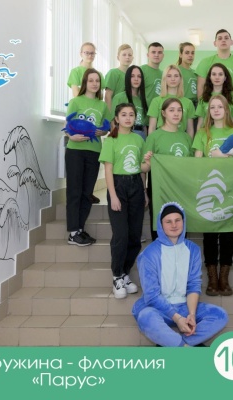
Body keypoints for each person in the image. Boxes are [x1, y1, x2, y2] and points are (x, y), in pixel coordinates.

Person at [133, 202, 229, 347]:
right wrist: (177, 319)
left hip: (184, 305)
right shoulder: (149, 254)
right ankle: (182, 347)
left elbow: (193, 285)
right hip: (158, 308)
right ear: (161, 224)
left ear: (183, 222)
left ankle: (178, 343)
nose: (174, 225)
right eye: (168, 221)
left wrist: (191, 315)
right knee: (145, 317)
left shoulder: (193, 249)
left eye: (178, 220)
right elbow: (151, 295)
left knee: (220, 315)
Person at [192, 95, 233, 296]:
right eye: (212, 107)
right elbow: (197, 162)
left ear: (226, 110)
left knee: (227, 233)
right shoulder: (202, 132)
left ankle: (224, 278)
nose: (216, 110)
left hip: (230, 187)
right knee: (209, 233)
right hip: (207, 187)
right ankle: (212, 278)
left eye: (220, 107)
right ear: (208, 111)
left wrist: (223, 156)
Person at [99, 103, 152, 298]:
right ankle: (116, 276)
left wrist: (148, 164)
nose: (128, 118)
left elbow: (143, 168)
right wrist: (113, 195)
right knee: (120, 235)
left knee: (135, 236)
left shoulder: (139, 139)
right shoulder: (111, 140)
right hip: (118, 187)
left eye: (131, 114)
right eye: (124, 114)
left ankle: (125, 273)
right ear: (117, 118)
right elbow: (108, 170)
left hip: (136, 186)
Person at [64, 68, 110, 246]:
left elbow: (106, 127)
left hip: (94, 151)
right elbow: (67, 126)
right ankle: (73, 232)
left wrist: (103, 132)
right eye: (91, 80)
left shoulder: (102, 105)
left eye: (97, 81)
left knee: (87, 193)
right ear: (85, 82)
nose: (94, 83)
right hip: (75, 151)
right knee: (74, 191)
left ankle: (79, 229)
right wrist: (71, 136)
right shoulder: (75, 101)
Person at [144, 98, 193, 240]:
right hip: (160, 189)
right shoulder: (154, 136)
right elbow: (144, 168)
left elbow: (191, 165)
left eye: (179, 110)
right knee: (160, 220)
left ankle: (180, 250)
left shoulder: (186, 137)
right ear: (163, 113)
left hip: (181, 187)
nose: (176, 113)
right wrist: (148, 162)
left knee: (180, 219)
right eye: (171, 110)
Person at [196, 29, 233, 106]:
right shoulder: (205, 62)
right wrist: (204, 108)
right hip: (211, 109)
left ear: (231, 42)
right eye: (220, 38)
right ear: (215, 43)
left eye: (226, 38)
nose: (223, 40)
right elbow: (200, 87)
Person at [147, 65, 195, 137]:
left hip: (181, 139)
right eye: (169, 76)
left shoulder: (188, 103)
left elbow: (190, 129)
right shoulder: (156, 101)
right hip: (161, 139)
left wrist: (189, 143)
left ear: (180, 79)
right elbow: (152, 128)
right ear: (164, 79)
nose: (173, 79)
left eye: (176, 76)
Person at [195, 63, 233, 129]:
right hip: (207, 134)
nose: (217, 77)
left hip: (227, 134)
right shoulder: (204, 97)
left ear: (225, 78)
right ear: (210, 77)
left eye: (220, 74)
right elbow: (200, 123)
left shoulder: (232, 97)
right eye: (214, 74)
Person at [111, 65, 149, 139]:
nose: (136, 79)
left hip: (141, 135)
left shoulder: (144, 100)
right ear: (128, 78)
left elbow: (144, 125)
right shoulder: (119, 97)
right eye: (132, 76)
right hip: (123, 134)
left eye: (139, 76)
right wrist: (115, 139)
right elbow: (113, 122)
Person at [104, 44, 134, 110]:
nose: (127, 57)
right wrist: (110, 114)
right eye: (124, 55)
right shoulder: (113, 73)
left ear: (133, 58)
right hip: (116, 110)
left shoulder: (133, 76)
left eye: (130, 55)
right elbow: (108, 96)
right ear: (118, 57)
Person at [141, 42, 165, 108]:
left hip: (158, 110)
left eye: (159, 52)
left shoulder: (164, 74)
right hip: (143, 110)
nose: (156, 55)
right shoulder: (140, 70)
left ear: (163, 56)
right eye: (153, 52)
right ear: (148, 55)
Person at [176, 42, 198, 107]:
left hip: (195, 105)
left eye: (192, 53)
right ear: (180, 54)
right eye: (187, 53)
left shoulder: (195, 73)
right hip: (182, 104)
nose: (190, 55)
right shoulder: (176, 71)